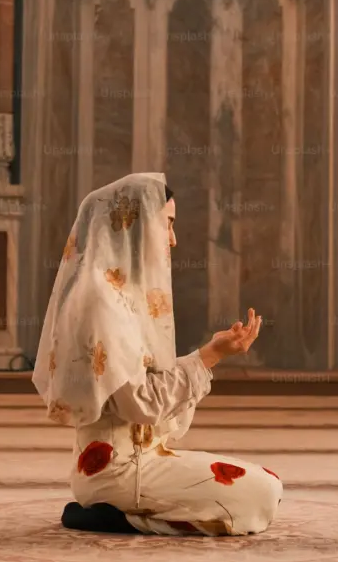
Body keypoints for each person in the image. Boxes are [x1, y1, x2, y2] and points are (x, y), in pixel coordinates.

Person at [32, 172, 283, 536]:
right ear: (133, 223)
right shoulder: (101, 300)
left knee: (266, 484)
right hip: (118, 472)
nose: (173, 239)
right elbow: (142, 406)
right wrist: (209, 356)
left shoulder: (118, 291)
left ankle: (114, 514)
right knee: (262, 492)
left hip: (138, 458)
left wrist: (212, 353)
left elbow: (144, 398)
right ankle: (119, 515)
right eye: (167, 224)